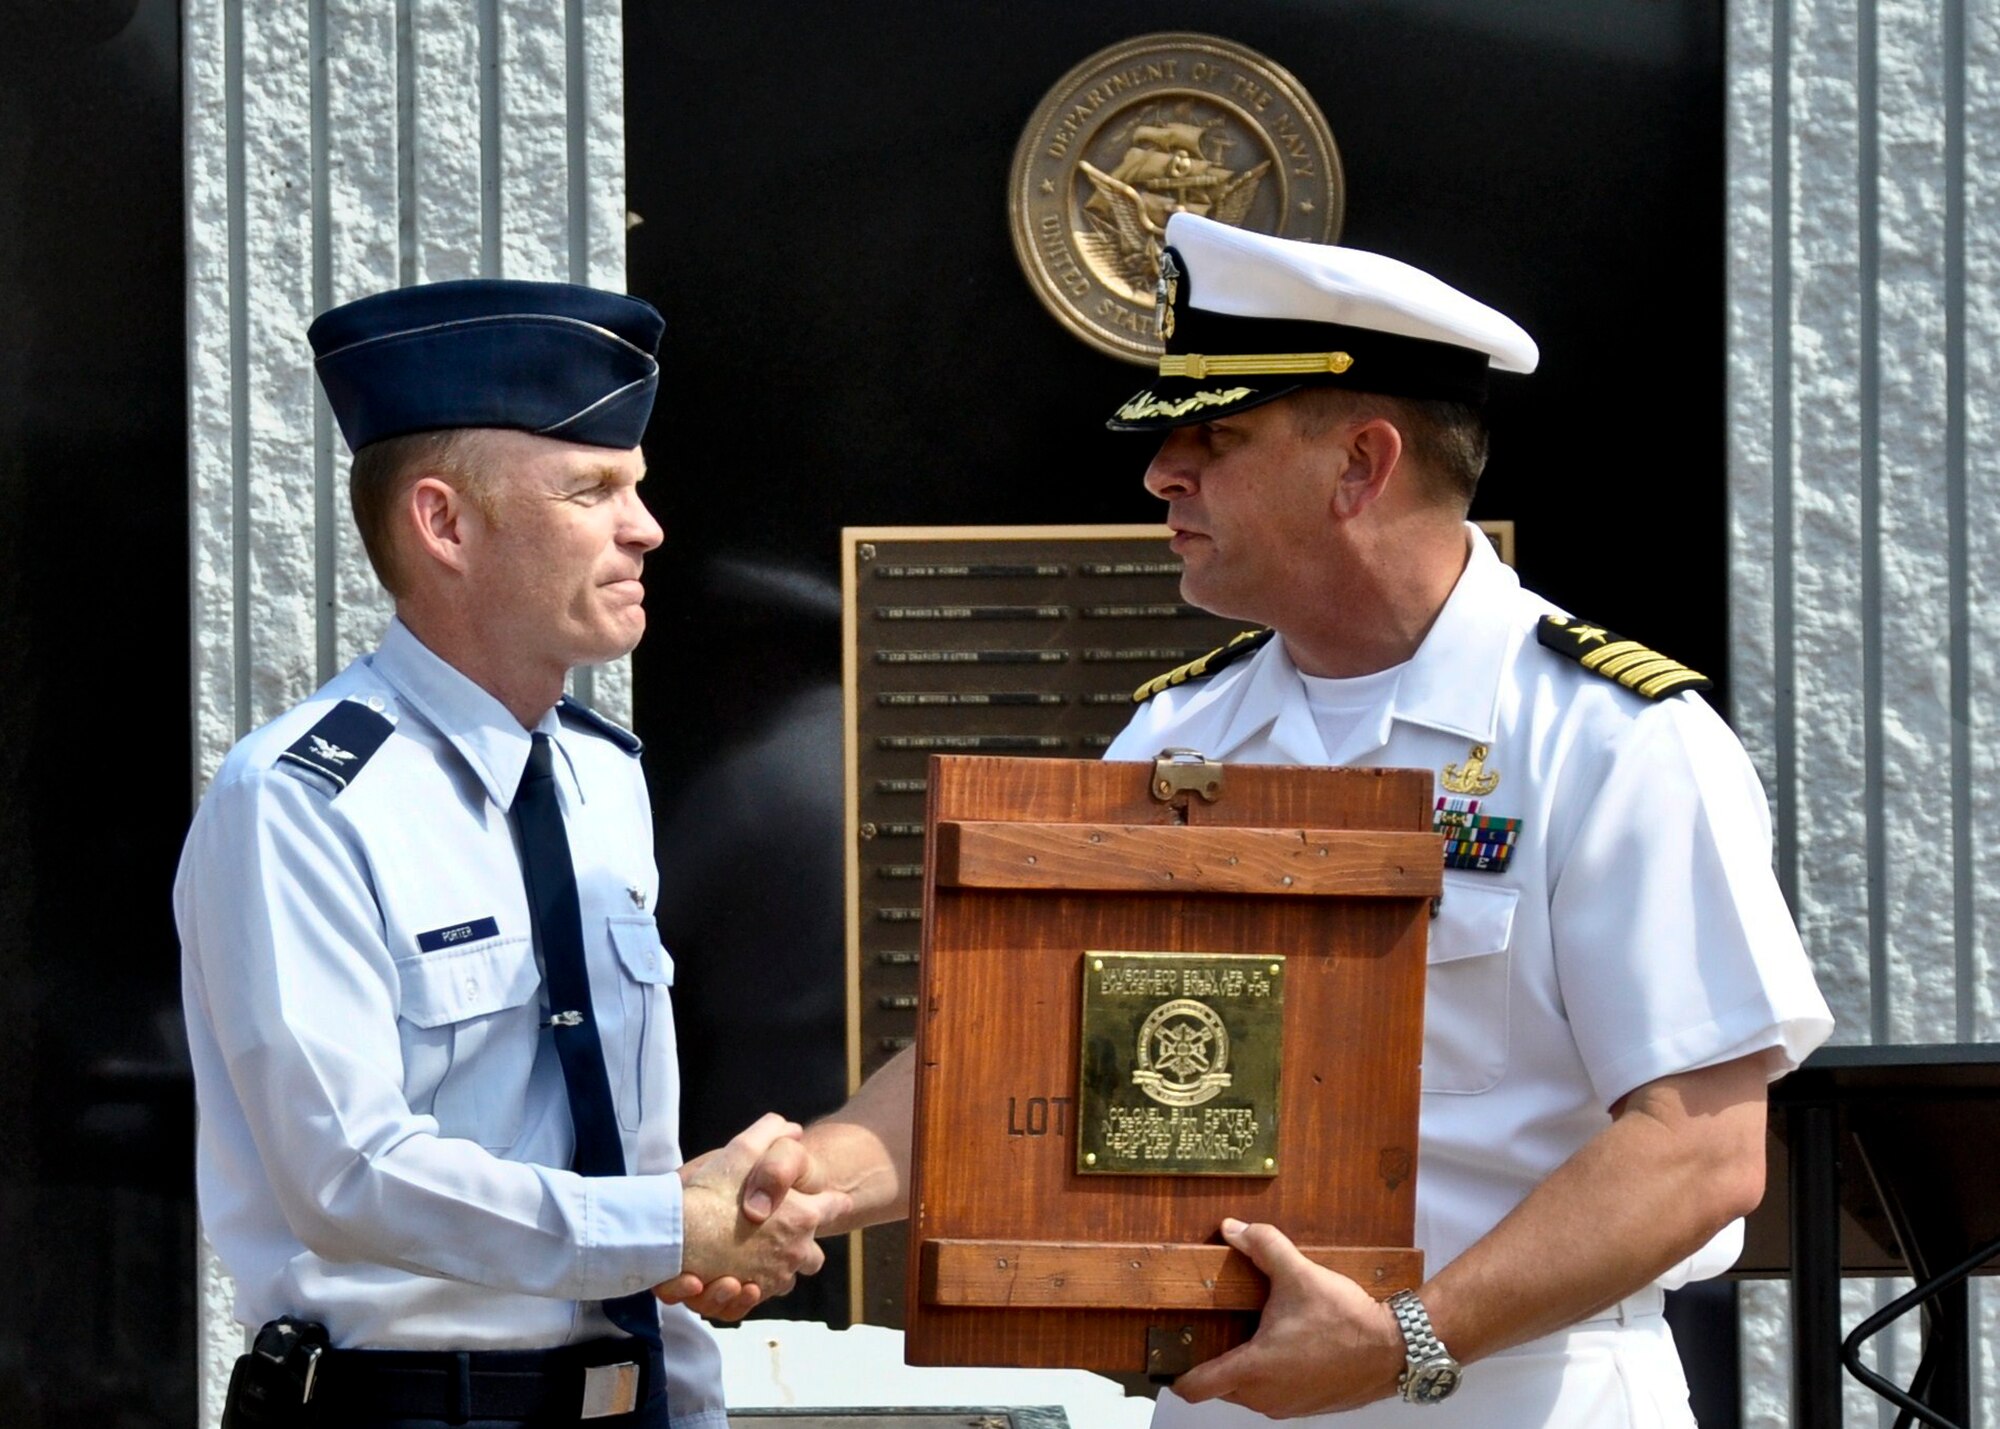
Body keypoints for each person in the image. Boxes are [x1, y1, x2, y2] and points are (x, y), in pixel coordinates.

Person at [686, 213, 1833, 1427]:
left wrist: (1403, 1342)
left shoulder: (1613, 742)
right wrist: (806, 1182)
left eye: (1215, 434)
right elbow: (1015, 1063)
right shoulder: (1182, 737)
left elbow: (1697, 1150)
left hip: (1515, 1389)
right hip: (1226, 1395)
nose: (1159, 471)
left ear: (1360, 465)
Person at [175, 279, 845, 1429]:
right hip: (419, 1406)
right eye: (592, 490)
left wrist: (684, 1343)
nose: (647, 527)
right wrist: (669, 1224)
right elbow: (350, 1174)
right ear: (445, 524)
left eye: (635, 487)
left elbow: (615, 1144)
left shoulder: (601, 774)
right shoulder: (298, 800)